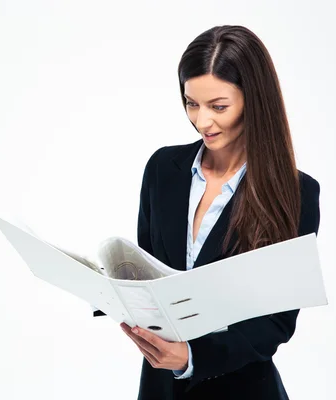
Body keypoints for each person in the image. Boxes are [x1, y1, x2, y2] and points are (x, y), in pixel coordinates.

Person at [119, 25, 321, 400]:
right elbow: (148, 272)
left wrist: (192, 356)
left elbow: (275, 322)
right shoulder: (163, 168)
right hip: (161, 388)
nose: (202, 121)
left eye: (218, 106)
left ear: (254, 100)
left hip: (242, 389)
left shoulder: (295, 193)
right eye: (191, 103)